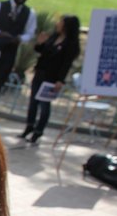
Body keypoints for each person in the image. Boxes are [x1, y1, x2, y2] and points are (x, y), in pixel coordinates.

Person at [20, 14, 81, 144]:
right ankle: (29, 126)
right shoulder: (54, 37)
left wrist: (60, 80)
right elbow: (41, 51)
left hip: (52, 78)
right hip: (40, 73)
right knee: (33, 102)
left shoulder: (70, 44)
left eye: (61, 22)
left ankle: (38, 131)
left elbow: (66, 63)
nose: (58, 24)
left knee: (44, 104)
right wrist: (40, 43)